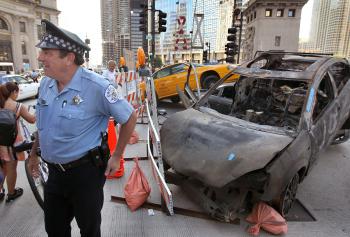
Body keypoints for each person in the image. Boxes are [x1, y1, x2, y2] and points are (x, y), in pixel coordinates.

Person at [28, 19, 137, 237]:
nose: (40, 57)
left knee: (89, 229)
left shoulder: (97, 87)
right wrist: (33, 154)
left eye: (47, 52)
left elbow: (129, 117)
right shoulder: (45, 83)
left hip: (85, 175)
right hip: (54, 175)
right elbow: (43, 124)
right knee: (55, 229)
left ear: (69, 57)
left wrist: (117, 156)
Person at [0, 82, 36, 202]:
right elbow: (32, 120)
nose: (18, 94)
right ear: (13, 92)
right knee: (11, 168)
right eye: (17, 92)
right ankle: (11, 193)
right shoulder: (17, 106)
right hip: (12, 143)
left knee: (2, 168)